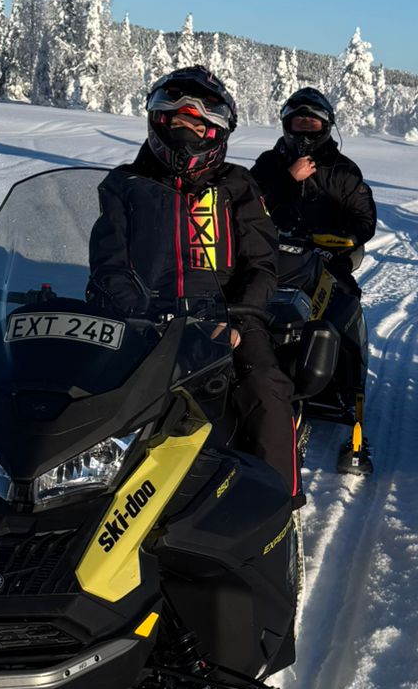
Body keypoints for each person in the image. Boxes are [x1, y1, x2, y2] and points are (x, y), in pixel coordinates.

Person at [87, 66, 299, 499]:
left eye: (198, 124)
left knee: (265, 389)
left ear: (216, 132)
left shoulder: (236, 185)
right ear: (159, 122)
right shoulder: (124, 184)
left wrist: (241, 316)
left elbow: (261, 262)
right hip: (143, 317)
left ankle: (278, 505)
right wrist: (132, 310)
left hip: (224, 317)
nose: (188, 130)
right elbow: (108, 263)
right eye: (179, 121)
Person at [250, 87, 378, 263]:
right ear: (288, 124)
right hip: (269, 253)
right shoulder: (269, 162)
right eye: (299, 121)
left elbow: (365, 219)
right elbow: (248, 206)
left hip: (327, 256)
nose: (305, 128)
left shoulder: (344, 170)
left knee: (345, 289)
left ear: (325, 126)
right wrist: (288, 179)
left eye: (312, 122)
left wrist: (334, 239)